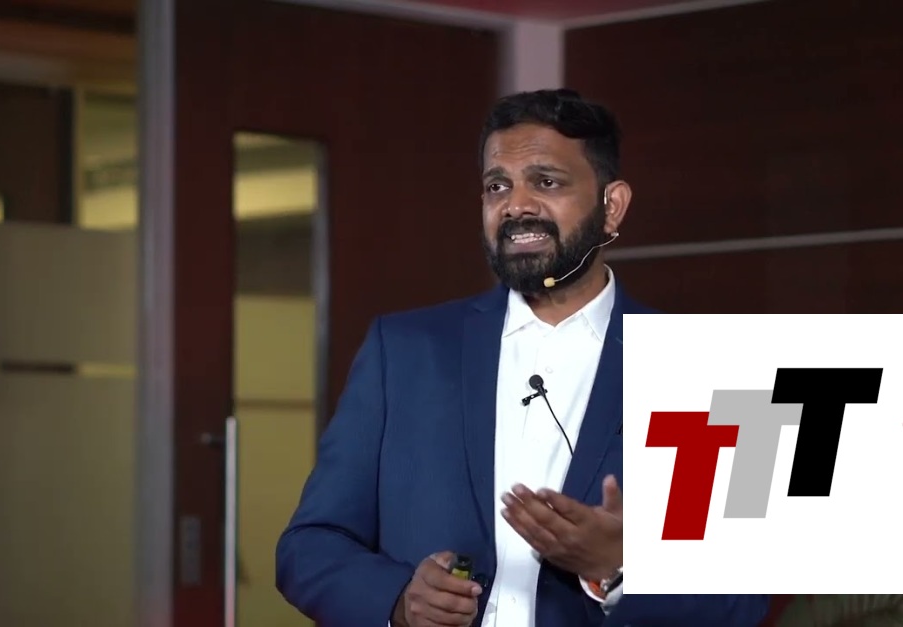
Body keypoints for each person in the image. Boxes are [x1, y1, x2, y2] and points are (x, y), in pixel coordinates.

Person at [275, 89, 770, 627]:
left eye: (546, 182)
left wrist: (617, 569)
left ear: (612, 206)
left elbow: (741, 601)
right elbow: (310, 545)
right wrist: (398, 601)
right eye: (498, 186)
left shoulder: (699, 369)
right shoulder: (404, 352)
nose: (516, 206)